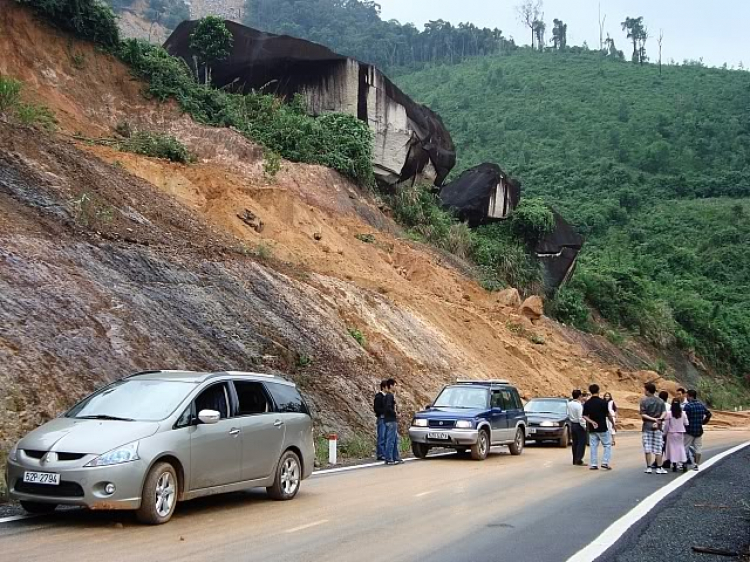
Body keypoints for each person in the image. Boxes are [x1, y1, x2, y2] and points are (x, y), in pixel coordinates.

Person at [582, 384, 614, 470]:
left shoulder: (587, 403)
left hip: (592, 428)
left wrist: (592, 422)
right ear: (598, 391)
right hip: (603, 427)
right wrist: (613, 424)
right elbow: (608, 415)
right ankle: (605, 462)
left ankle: (593, 464)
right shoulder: (603, 402)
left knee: (593, 446)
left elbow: (584, 416)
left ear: (590, 392)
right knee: (607, 445)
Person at [640, 382, 667, 474]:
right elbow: (664, 412)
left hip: (647, 427)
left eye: (645, 390)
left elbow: (643, 414)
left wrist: (653, 419)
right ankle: (659, 467)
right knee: (658, 447)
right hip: (658, 427)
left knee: (647, 448)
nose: (644, 391)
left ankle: (649, 467)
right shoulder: (661, 401)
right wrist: (659, 419)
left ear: (647, 391)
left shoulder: (644, 401)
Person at [683, 389, 712, 471]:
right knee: (698, 448)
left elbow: (684, 417)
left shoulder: (688, 406)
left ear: (690, 396)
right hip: (699, 430)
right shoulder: (701, 405)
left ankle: (684, 464)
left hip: (689, 430)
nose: (687, 398)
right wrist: (704, 422)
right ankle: (696, 465)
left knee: (685, 447)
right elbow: (709, 414)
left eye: (687, 396)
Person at [663, 398, 689, 472]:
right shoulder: (683, 413)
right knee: (680, 448)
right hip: (680, 433)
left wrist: (664, 433)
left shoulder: (669, 413)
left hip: (671, 434)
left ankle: (674, 464)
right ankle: (684, 462)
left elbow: (666, 426)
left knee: (672, 449)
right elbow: (686, 423)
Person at [383, 378, 404, 465]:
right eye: (395, 385)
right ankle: (389, 459)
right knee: (391, 440)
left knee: (395, 439)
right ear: (391, 386)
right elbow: (388, 407)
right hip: (391, 420)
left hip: (390, 420)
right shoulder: (389, 396)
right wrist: (395, 413)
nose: (396, 387)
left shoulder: (389, 396)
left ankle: (396, 457)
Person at [567, 390, 587, 466]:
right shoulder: (579, 406)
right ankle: (579, 459)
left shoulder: (569, 404)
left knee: (575, 442)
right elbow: (580, 418)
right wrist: (584, 426)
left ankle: (574, 459)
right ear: (579, 396)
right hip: (579, 425)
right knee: (581, 443)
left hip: (573, 424)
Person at [373, 380, 387, 460]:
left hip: (387, 418)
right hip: (381, 418)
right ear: (383, 387)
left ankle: (385, 453)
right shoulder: (378, 396)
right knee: (381, 436)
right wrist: (384, 411)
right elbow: (376, 408)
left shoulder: (387, 396)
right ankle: (380, 454)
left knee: (386, 436)